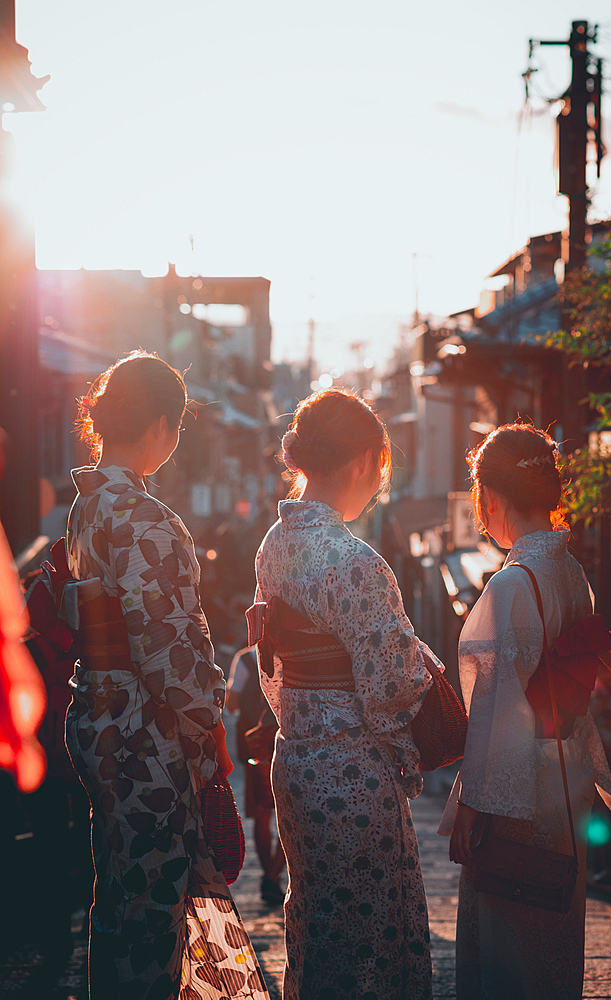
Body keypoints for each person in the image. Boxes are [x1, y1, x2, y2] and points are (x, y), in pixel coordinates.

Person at [65, 351, 269, 1000]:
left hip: (96, 714)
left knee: (118, 895)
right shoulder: (148, 520)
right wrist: (208, 727)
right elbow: (171, 649)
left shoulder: (89, 507)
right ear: (161, 425)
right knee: (155, 906)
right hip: (143, 731)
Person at [253, 387, 437, 1000]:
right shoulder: (355, 562)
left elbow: (274, 665)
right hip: (352, 770)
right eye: (381, 469)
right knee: (369, 942)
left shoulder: (274, 546)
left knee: (316, 926)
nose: (380, 483)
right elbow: (389, 685)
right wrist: (430, 671)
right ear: (364, 460)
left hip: (297, 760)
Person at [439, 423, 611, 1000]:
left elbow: (497, 709)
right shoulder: (572, 573)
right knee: (553, 934)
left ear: (489, 499)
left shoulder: (514, 583)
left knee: (506, 943)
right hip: (566, 777)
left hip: (517, 787)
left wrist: (472, 803)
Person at [226, 646, 286, 904]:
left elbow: (231, 705)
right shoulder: (293, 652)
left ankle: (268, 875)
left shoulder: (245, 660)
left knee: (261, 814)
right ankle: (273, 876)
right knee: (291, 814)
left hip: (256, 746)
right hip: (291, 740)